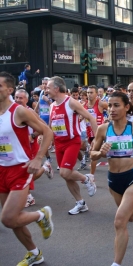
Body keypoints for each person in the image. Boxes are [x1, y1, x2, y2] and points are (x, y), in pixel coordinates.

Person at [90, 91, 133, 266]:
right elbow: (92, 154)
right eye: (109, 106)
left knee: (119, 220)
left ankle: (116, 263)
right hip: (113, 180)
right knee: (130, 217)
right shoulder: (103, 129)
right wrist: (100, 153)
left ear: (126, 107)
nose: (111, 109)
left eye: (116, 105)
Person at [0, 71, 54, 266]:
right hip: (1, 170)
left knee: (7, 219)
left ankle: (42, 215)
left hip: (20, 169)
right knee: (14, 220)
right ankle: (34, 253)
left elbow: (47, 132)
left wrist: (39, 158)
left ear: (10, 90)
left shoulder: (19, 111)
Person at [47, 76, 98, 215]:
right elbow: (51, 125)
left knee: (64, 172)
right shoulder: (52, 105)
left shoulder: (71, 102)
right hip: (59, 143)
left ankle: (87, 178)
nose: (46, 90)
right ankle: (80, 203)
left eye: (48, 87)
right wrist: (47, 140)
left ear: (56, 88)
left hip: (72, 141)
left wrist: (96, 139)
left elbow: (90, 117)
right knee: (66, 176)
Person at [84, 85, 108, 178]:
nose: (89, 94)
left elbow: (110, 109)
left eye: (91, 92)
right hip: (89, 132)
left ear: (96, 94)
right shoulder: (84, 105)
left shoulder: (101, 104)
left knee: (93, 153)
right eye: (88, 92)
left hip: (99, 132)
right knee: (101, 153)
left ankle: (91, 176)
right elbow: (80, 116)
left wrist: (108, 119)